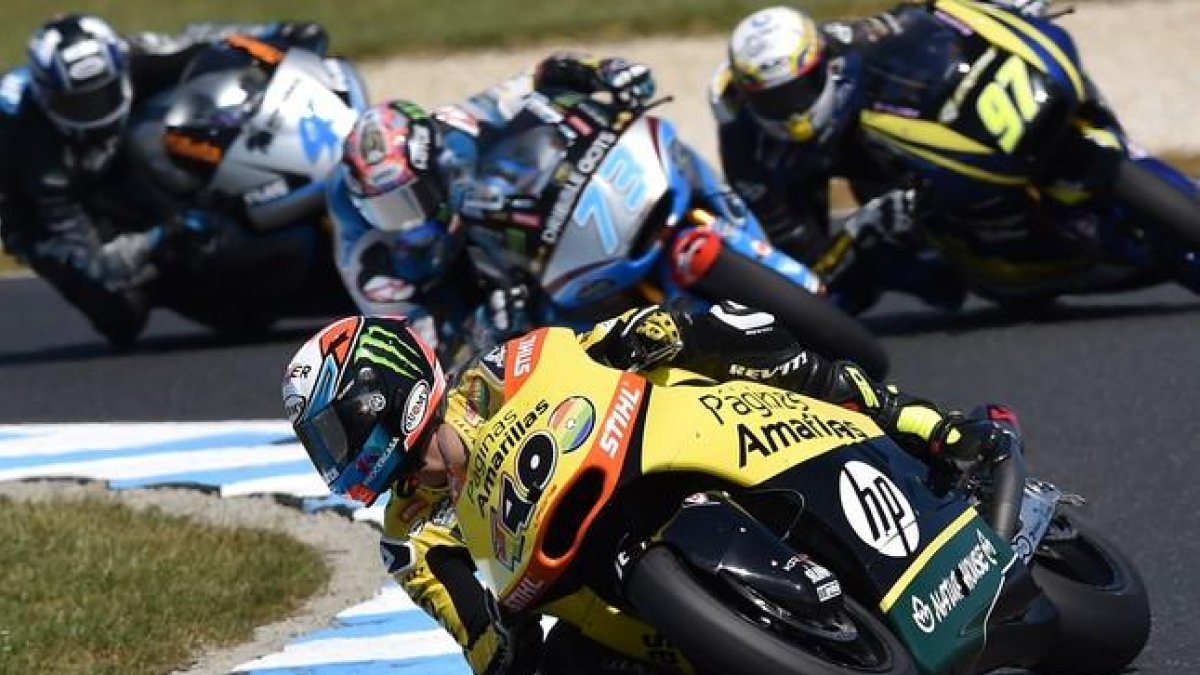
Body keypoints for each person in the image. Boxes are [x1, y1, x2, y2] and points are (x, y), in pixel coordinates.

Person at [282, 301, 1014, 674]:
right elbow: (474, 630)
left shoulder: (494, 373)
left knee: (731, 329)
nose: (339, 459)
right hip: (593, 588)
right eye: (326, 448)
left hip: (662, 448)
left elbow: (582, 348)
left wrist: (644, 329)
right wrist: (497, 645)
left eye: (339, 434)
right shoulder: (409, 534)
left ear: (386, 395)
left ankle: (928, 425)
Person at [0, 14, 327, 347]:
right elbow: (95, 261)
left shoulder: (131, 54)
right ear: (47, 98)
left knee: (162, 138)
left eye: (101, 95)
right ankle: (197, 290)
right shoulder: (40, 163)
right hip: (36, 217)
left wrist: (278, 35)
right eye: (79, 104)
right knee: (122, 314)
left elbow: (201, 39)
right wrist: (164, 237)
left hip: (109, 161)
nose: (94, 112)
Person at [707, 0, 1052, 313]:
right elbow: (798, 272)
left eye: (800, 90)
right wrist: (858, 233)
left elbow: (923, 24)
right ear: (748, 97)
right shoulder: (747, 149)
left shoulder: (851, 43)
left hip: (874, 152)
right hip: (803, 180)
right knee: (869, 295)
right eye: (774, 100)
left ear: (822, 64)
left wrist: (1000, 15)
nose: (793, 112)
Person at [324, 53, 661, 352]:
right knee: (521, 321)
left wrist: (598, 72)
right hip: (446, 292)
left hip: (479, 229)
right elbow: (420, 355)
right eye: (390, 210)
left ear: (434, 163)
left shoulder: (453, 129)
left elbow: (535, 79)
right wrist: (483, 329)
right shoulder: (373, 271)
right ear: (362, 206)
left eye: (411, 201)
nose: (409, 223)